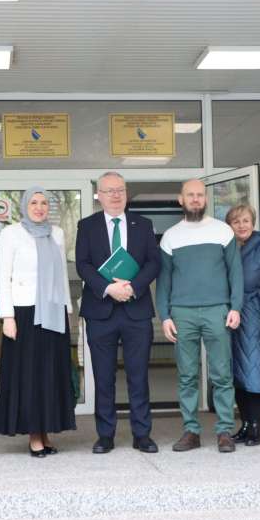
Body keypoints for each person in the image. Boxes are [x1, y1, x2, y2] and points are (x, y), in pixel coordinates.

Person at [76, 172, 161, 454]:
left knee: (139, 376)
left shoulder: (143, 224)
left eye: (120, 190)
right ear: (98, 195)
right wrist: (108, 288)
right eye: (109, 191)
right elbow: (83, 264)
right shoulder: (87, 226)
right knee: (104, 377)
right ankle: (105, 435)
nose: (115, 195)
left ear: (126, 193)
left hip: (136, 310)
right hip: (100, 311)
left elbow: (153, 262)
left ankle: (142, 434)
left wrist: (133, 287)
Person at [156, 179, 243, 453]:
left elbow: (236, 272)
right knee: (187, 375)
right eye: (190, 195)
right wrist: (164, 316)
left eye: (199, 195)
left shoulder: (223, 231)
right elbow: (164, 281)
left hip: (218, 310)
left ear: (205, 199)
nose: (195, 199)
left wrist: (235, 307)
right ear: (181, 200)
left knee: (222, 374)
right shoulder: (171, 236)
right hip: (182, 313)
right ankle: (191, 431)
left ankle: (225, 431)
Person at [0, 187, 76, 457]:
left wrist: (67, 310)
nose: (39, 208)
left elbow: (61, 275)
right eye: (34, 203)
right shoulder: (11, 234)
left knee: (50, 374)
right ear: (25, 206)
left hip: (53, 311)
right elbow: (2, 276)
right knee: (29, 375)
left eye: (44, 203)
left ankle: (46, 430)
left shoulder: (57, 233)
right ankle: (34, 435)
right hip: (24, 312)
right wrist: (7, 316)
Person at [225, 204, 260, 447]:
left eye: (246, 221)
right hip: (232, 317)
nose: (242, 226)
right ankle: (245, 425)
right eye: (236, 221)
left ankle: (256, 425)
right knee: (237, 373)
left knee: (255, 372)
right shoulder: (226, 250)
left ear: (253, 223)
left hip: (257, 316)